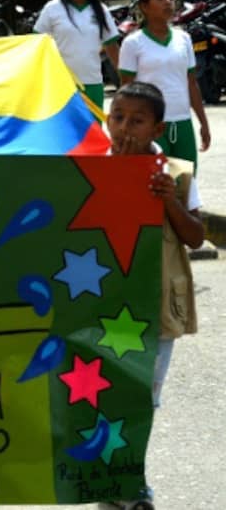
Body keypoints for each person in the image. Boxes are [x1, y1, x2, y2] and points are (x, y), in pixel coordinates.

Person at [100, 81, 204, 510]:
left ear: (157, 128)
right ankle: (108, 480)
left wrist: (168, 203)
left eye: (137, 121)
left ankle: (131, 483)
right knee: (103, 394)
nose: (125, 128)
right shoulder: (87, 167)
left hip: (155, 306)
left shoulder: (176, 172)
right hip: (102, 305)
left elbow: (196, 237)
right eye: (118, 117)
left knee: (143, 398)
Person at [119, 0, 212, 170]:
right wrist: (126, 129)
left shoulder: (184, 39)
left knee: (184, 187)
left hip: (182, 122)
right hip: (149, 126)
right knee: (154, 186)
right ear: (144, 6)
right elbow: (126, 90)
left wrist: (203, 123)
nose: (168, 2)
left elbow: (191, 83)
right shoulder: (133, 43)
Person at [34, 0, 120, 109]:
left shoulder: (101, 10)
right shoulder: (52, 8)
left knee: (91, 132)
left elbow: (112, 47)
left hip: (93, 85)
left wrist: (126, 82)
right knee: (63, 133)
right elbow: (36, 45)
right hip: (60, 86)